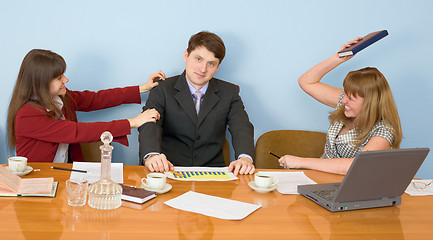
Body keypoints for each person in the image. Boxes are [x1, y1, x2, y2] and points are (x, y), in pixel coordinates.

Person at [7, 49, 162, 163]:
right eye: (59, 77)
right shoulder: (27, 115)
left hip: (64, 175)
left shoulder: (62, 98)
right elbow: (76, 132)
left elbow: (96, 99)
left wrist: (143, 88)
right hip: (37, 182)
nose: (66, 80)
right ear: (41, 83)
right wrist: (133, 122)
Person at [278, 37, 402, 175]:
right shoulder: (345, 103)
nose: (343, 101)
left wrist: (300, 162)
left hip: (352, 189)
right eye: (344, 95)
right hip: (320, 180)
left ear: (369, 103)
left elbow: (355, 166)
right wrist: (339, 57)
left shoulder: (384, 131)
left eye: (350, 98)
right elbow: (306, 82)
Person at [138, 31, 255, 175]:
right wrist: (152, 155)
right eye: (198, 59)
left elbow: (241, 126)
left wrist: (245, 158)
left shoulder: (229, 92)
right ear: (186, 56)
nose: (203, 69)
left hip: (212, 174)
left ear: (217, 67)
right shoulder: (162, 88)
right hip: (167, 169)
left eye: (211, 63)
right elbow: (149, 123)